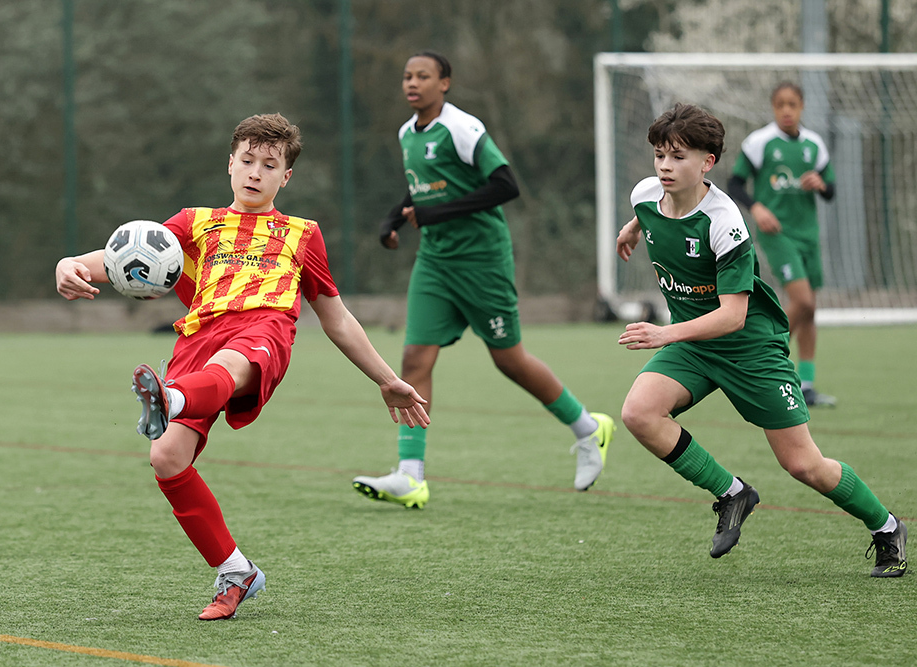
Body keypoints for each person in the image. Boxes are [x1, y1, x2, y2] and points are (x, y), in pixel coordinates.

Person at [55, 113, 431, 620]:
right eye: (247, 160)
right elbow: (127, 254)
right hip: (198, 338)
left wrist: (388, 380)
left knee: (231, 367)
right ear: (230, 163)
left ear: (286, 176)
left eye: (269, 164)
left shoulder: (303, 234)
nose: (256, 172)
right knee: (166, 457)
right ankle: (236, 570)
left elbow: (336, 317)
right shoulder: (195, 222)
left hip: (263, 332)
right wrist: (70, 264)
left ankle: (171, 399)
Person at [615, 102, 905, 577]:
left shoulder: (724, 222)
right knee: (639, 413)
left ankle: (887, 526)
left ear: (707, 163)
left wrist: (665, 333)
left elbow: (732, 316)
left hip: (748, 348)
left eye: (679, 157)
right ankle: (733, 493)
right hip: (694, 346)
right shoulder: (647, 193)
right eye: (660, 155)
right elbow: (645, 213)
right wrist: (631, 231)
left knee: (804, 465)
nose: (666, 166)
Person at [351, 50, 614, 509]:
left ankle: (588, 428)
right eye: (407, 76)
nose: (412, 84)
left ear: (445, 83)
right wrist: (392, 219)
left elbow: (506, 185)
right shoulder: (406, 133)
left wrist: (433, 212)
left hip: (482, 261)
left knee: (509, 360)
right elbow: (422, 187)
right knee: (414, 358)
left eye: (424, 76)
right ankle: (410, 475)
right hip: (435, 262)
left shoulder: (463, 128)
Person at [727, 82, 836, 407]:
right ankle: (759, 361)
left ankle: (807, 384)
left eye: (792, 104)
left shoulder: (814, 145)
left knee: (810, 311)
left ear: (801, 107)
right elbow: (734, 183)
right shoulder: (760, 142)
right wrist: (757, 208)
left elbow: (831, 190)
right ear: (774, 108)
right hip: (777, 234)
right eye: (780, 105)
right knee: (802, 302)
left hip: (808, 235)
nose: (786, 110)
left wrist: (820, 184)